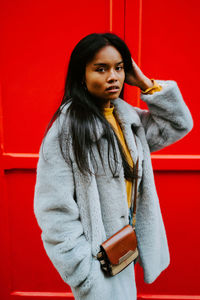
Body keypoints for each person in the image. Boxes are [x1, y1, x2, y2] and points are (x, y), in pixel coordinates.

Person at [34, 33, 193, 300]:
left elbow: (178, 124)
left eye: (119, 68)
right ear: (81, 75)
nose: (113, 77)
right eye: (101, 69)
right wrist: (84, 273)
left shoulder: (128, 118)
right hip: (97, 262)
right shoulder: (67, 129)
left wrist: (143, 82)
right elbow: (54, 211)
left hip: (123, 249)